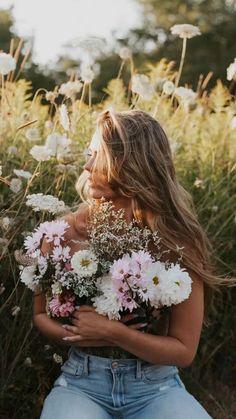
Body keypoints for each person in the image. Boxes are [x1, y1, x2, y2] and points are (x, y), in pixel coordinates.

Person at [35, 109, 216, 418]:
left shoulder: (177, 243)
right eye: (89, 154)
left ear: (132, 166)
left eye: (98, 156)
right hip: (81, 385)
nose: (86, 166)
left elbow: (184, 351)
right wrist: (79, 333)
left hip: (156, 387)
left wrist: (114, 333)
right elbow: (39, 315)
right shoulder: (62, 233)